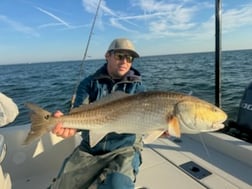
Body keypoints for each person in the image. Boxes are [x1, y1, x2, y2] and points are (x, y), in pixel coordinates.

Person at [49, 38, 145, 189]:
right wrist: (70, 126)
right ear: (107, 55)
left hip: (123, 147)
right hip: (91, 147)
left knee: (117, 185)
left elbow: (145, 119)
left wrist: (161, 127)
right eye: (120, 56)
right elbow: (80, 112)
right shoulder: (89, 83)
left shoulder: (137, 89)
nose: (125, 61)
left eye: (129, 58)